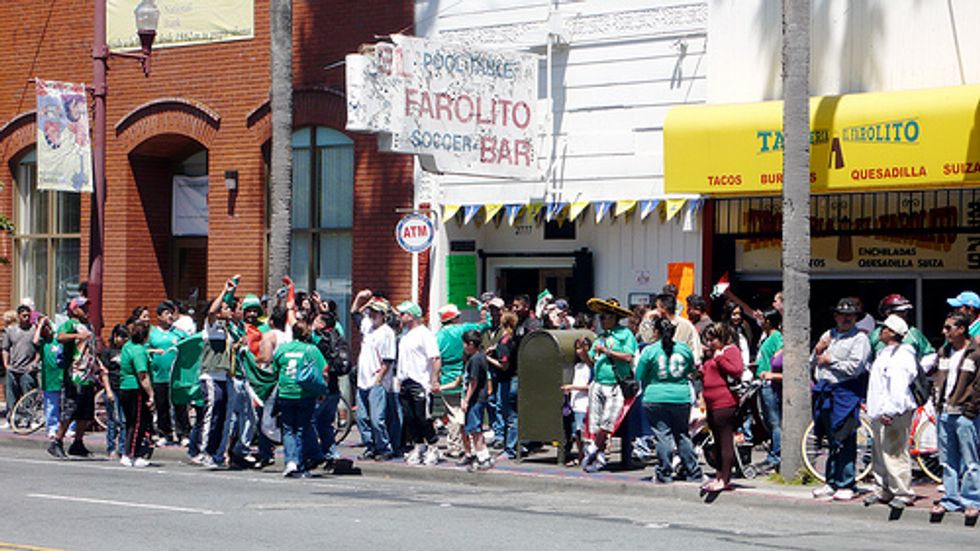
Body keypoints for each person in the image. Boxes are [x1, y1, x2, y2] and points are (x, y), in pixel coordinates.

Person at [809, 297, 872, 502]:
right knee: (831, 438)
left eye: (850, 315)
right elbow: (814, 361)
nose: (846, 319)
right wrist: (818, 350)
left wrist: (831, 360)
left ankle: (847, 483)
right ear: (835, 316)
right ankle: (831, 481)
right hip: (826, 391)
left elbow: (856, 367)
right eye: (842, 315)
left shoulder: (859, 339)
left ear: (856, 318)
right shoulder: (829, 335)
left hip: (845, 392)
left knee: (845, 438)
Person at [635, 317, 701, 483]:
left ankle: (664, 471)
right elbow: (691, 370)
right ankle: (692, 470)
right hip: (681, 395)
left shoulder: (650, 351)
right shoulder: (684, 349)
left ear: (656, 332)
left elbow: (639, 374)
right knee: (682, 434)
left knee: (663, 435)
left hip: (655, 395)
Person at [863, 314, 917, 510]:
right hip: (880, 413)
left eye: (884, 328)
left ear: (893, 332)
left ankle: (902, 492)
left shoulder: (902, 355)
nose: (880, 332)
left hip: (894, 413)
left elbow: (898, 386)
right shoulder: (884, 353)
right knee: (879, 454)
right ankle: (882, 489)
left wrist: (891, 410)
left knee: (895, 453)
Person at [931, 311, 980, 519]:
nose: (945, 332)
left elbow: (978, 385)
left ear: (962, 329)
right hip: (945, 412)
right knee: (947, 460)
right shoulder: (944, 352)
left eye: (949, 328)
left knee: (970, 460)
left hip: (965, 414)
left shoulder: (976, 353)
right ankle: (950, 499)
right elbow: (939, 379)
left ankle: (972, 500)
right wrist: (937, 403)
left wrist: (970, 411)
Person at [581, 297, 637, 473]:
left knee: (608, 422)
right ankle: (599, 457)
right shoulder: (600, 337)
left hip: (615, 385)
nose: (601, 320)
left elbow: (629, 356)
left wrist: (608, 351)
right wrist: (583, 354)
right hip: (598, 383)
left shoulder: (624, 334)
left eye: (604, 317)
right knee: (594, 424)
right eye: (600, 317)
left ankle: (594, 450)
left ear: (613, 317)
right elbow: (592, 362)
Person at [190, 277, 240, 468]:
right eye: (225, 308)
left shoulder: (227, 329)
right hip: (210, 375)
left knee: (222, 416)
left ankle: (216, 453)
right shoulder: (211, 326)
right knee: (212, 413)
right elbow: (212, 311)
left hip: (224, 376)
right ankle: (205, 451)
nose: (229, 310)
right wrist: (224, 290)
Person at [49, 297, 107, 459]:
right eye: (83, 308)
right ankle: (57, 441)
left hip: (88, 374)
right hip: (74, 375)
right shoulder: (70, 324)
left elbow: (91, 349)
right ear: (74, 310)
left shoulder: (89, 326)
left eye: (87, 307)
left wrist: (99, 365)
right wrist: (77, 336)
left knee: (86, 413)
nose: (87, 311)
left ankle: (78, 442)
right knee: (70, 410)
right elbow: (60, 337)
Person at [271, 319, 327, 478]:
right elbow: (324, 370)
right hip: (305, 393)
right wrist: (322, 390)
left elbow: (275, 369)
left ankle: (290, 462)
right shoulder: (311, 349)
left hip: (285, 392)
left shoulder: (282, 349)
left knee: (288, 429)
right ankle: (300, 464)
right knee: (302, 428)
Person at [434, 300, 490, 458]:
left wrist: (435, 380)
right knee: (467, 415)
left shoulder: (438, 336)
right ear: (455, 318)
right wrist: (480, 306)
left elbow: (434, 358)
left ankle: (454, 446)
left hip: (448, 379)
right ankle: (472, 446)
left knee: (453, 415)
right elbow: (487, 323)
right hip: (466, 377)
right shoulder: (465, 329)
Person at [395, 301, 442, 466]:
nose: (400, 317)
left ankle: (433, 446)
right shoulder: (405, 335)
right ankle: (419, 445)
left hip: (420, 381)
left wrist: (434, 380)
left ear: (412, 315)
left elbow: (435, 358)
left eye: (403, 314)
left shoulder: (425, 334)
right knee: (409, 417)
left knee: (423, 417)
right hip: (405, 381)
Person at [351, 291, 396, 461]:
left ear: (383, 315)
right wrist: (360, 298)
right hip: (362, 381)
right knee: (362, 418)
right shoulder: (367, 327)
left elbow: (388, 359)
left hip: (376, 381)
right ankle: (370, 446)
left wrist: (379, 379)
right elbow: (354, 313)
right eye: (371, 312)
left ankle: (384, 448)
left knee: (377, 419)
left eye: (376, 312)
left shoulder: (387, 333)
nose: (372, 315)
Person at [700, 322, 745, 492]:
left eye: (714, 339)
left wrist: (719, 359)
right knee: (717, 442)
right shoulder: (715, 353)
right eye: (709, 339)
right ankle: (719, 475)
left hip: (724, 404)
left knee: (725, 441)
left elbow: (736, 370)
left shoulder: (730, 351)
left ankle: (724, 479)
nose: (711, 343)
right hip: (712, 404)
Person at [148, 301, 186, 446]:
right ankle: (165, 433)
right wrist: (154, 352)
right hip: (159, 376)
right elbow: (144, 350)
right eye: (166, 313)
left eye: (171, 313)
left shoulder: (179, 333)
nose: (170, 316)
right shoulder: (152, 334)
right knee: (161, 405)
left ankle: (183, 433)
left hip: (177, 376)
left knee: (180, 405)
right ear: (159, 316)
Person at [118, 321, 155, 468]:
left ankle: (131, 452)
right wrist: (151, 394)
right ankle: (131, 454)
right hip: (135, 389)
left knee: (131, 423)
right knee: (137, 423)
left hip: (125, 388)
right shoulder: (139, 351)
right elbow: (142, 375)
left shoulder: (128, 347)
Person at [755, 309, 783, 471]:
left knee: (775, 422)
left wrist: (771, 370)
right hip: (762, 381)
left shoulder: (776, 337)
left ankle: (776, 455)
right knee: (769, 421)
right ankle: (773, 452)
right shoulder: (766, 337)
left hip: (770, 382)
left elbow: (781, 351)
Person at [869, 294, 935, 364]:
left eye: (906, 311)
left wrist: (919, 370)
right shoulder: (875, 335)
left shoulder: (913, 333)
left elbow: (930, 354)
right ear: (888, 313)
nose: (905, 315)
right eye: (900, 312)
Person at [461, 330, 493, 471]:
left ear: (471, 344)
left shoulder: (475, 359)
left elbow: (473, 381)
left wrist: (466, 400)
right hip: (481, 397)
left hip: (476, 398)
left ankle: (482, 458)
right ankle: (484, 455)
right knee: (476, 429)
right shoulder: (481, 357)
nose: (463, 346)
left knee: (475, 430)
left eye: (465, 343)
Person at [561, 336, 592, 467]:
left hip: (585, 403)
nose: (579, 352)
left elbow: (590, 386)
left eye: (583, 348)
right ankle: (580, 456)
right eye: (577, 348)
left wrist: (572, 387)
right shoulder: (577, 366)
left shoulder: (591, 366)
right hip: (575, 403)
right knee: (577, 433)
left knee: (584, 433)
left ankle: (586, 457)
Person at [4, 305, 38, 420]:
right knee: (11, 395)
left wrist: (34, 363)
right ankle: (12, 418)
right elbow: (5, 348)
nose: (27, 318)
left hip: (27, 369)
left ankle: (29, 418)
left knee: (28, 394)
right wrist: (6, 364)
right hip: (13, 368)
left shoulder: (34, 330)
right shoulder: (11, 331)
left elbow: (40, 349)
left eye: (28, 315)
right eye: (24, 315)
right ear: (18, 316)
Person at [100, 324, 128, 459]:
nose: (123, 340)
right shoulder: (108, 352)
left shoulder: (128, 351)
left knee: (124, 420)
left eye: (126, 337)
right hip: (112, 387)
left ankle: (122, 448)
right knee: (112, 420)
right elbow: (104, 372)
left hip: (125, 388)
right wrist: (108, 390)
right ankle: (111, 447)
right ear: (115, 336)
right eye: (121, 337)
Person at [33, 316, 63, 439]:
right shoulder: (43, 343)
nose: (47, 330)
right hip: (49, 380)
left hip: (62, 377)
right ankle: (52, 428)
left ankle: (69, 428)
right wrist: (40, 325)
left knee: (66, 405)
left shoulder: (59, 339)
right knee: (51, 406)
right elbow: (35, 341)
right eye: (44, 328)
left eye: (48, 327)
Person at [655, 293, 702, 366]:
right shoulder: (657, 324)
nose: (655, 310)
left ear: (664, 308)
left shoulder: (686, 326)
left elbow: (696, 352)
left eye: (657, 307)